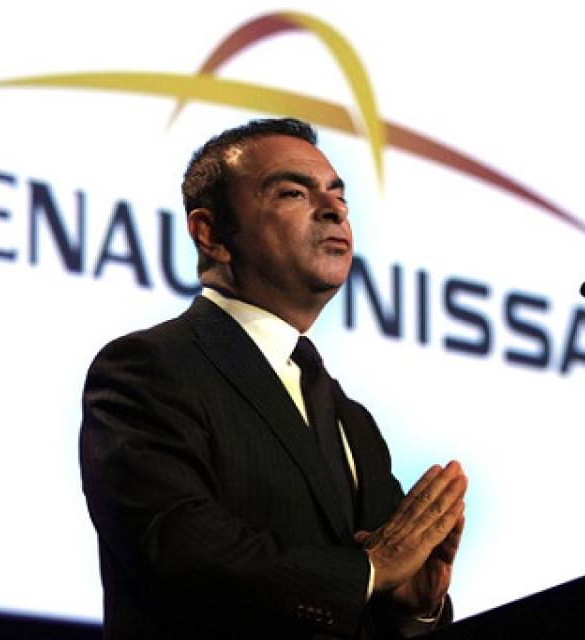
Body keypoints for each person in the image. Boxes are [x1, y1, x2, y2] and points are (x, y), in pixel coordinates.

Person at [80, 118, 468, 639]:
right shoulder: (148, 369)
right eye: (293, 193)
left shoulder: (352, 421)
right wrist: (367, 573)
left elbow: (379, 586)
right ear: (211, 233)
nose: (333, 210)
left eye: (338, 196)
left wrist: (414, 609)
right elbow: (177, 545)